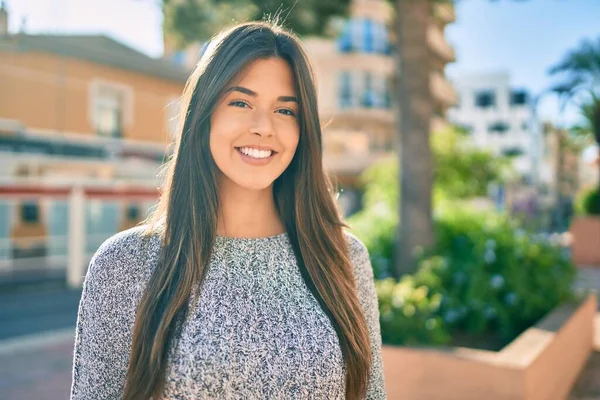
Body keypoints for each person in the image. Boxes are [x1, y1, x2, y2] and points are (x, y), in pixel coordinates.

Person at [70, 20, 386, 400]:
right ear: (204, 114)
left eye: (286, 111)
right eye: (241, 102)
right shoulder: (124, 263)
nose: (263, 127)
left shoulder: (344, 258)